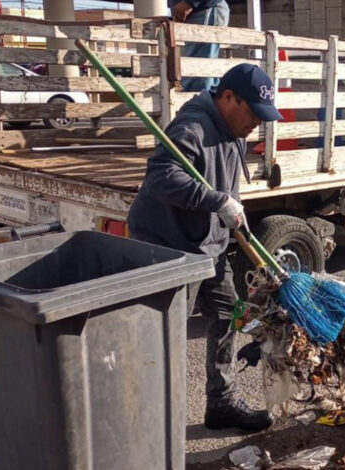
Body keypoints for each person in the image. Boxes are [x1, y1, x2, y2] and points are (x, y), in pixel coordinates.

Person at [128, 64, 283, 432]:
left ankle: (221, 404)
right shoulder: (193, 126)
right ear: (229, 98)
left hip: (206, 245)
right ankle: (147, 421)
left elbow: (228, 182)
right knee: (164, 334)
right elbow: (161, 176)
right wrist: (216, 201)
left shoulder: (235, 128)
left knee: (229, 313)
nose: (256, 125)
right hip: (168, 246)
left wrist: (233, 213)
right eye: (254, 115)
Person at [170, 0, 230, 91]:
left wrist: (189, 2)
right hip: (200, 10)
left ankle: (201, 103)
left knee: (199, 77)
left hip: (204, 9)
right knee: (202, 74)